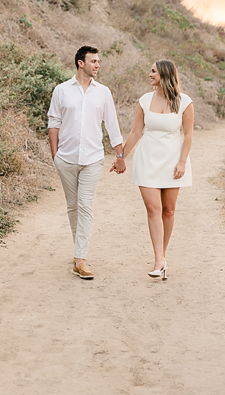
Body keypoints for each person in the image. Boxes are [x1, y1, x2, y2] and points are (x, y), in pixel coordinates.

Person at [47, 45, 125, 280]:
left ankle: (80, 259)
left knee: (85, 205)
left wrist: (120, 156)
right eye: (93, 61)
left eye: (98, 61)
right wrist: (55, 156)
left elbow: (112, 125)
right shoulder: (61, 91)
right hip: (66, 159)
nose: (97, 65)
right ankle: (78, 252)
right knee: (73, 207)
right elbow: (54, 122)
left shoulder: (103, 93)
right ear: (81, 63)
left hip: (92, 159)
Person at [115, 59, 194, 280]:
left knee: (168, 210)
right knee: (153, 209)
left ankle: (163, 256)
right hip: (147, 159)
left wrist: (182, 162)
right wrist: (121, 156)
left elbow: (188, 135)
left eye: (153, 71)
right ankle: (158, 259)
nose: (149, 75)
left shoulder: (184, 102)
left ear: (165, 75)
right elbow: (135, 132)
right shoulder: (144, 100)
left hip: (173, 160)